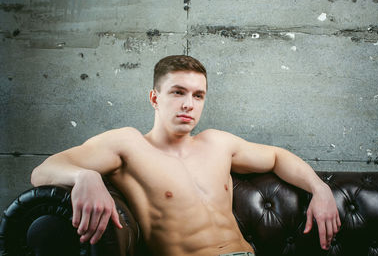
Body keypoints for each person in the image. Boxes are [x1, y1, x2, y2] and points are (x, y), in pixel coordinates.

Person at [31, 55, 340, 256]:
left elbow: (276, 157)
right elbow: (43, 170)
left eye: (198, 95)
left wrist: (319, 188)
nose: (189, 104)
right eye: (178, 92)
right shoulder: (128, 145)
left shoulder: (218, 143)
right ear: (155, 97)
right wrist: (84, 175)